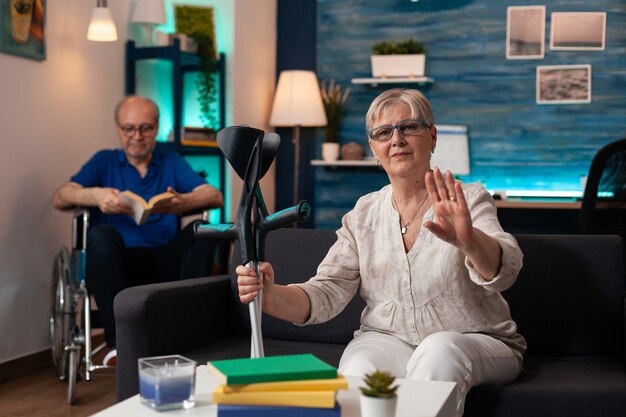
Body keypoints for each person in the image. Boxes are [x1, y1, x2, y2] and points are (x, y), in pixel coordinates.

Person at [236, 89, 525, 416]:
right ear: (374, 148)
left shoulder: (468, 198)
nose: (397, 139)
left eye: (409, 127)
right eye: (384, 133)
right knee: (360, 366)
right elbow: (326, 292)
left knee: (438, 350)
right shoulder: (364, 214)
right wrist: (270, 294)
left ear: (432, 137)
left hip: (475, 340)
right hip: (388, 340)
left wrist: (468, 239)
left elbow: (507, 269)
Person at [53, 96, 223, 364]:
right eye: (129, 128)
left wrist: (181, 202)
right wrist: (97, 196)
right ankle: (119, 345)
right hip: (114, 264)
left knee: (204, 229)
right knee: (100, 235)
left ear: (156, 129)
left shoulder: (171, 162)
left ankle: (185, 336)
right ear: (118, 129)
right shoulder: (104, 161)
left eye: (145, 128)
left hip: (163, 262)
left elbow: (214, 196)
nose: (137, 136)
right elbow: (61, 196)